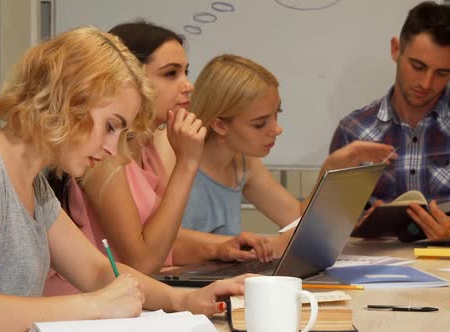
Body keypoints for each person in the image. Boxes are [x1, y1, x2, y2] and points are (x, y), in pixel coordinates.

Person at [0, 27, 250, 332]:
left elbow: (98, 271)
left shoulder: (34, 183)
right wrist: (96, 306)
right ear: (70, 100)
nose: (112, 149)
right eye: (111, 126)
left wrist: (185, 301)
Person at [44, 21, 276, 296]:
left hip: (128, 298)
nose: (188, 86)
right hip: (87, 302)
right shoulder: (103, 154)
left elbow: (162, 241)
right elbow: (143, 262)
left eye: (185, 72)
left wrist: (219, 247)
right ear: (131, 80)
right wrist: (187, 163)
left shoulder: (151, 146)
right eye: (170, 74)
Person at [173, 54, 395, 236]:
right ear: (220, 125)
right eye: (260, 124)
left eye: (276, 115)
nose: (277, 129)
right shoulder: (174, 155)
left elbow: (295, 219)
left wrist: (330, 170)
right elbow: (169, 244)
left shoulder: (243, 161)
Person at [330, 1, 450, 241]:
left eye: (442, 73)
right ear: (396, 49)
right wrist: (353, 226)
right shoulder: (353, 130)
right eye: (418, 66)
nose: (426, 84)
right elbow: (329, 224)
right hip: (373, 269)